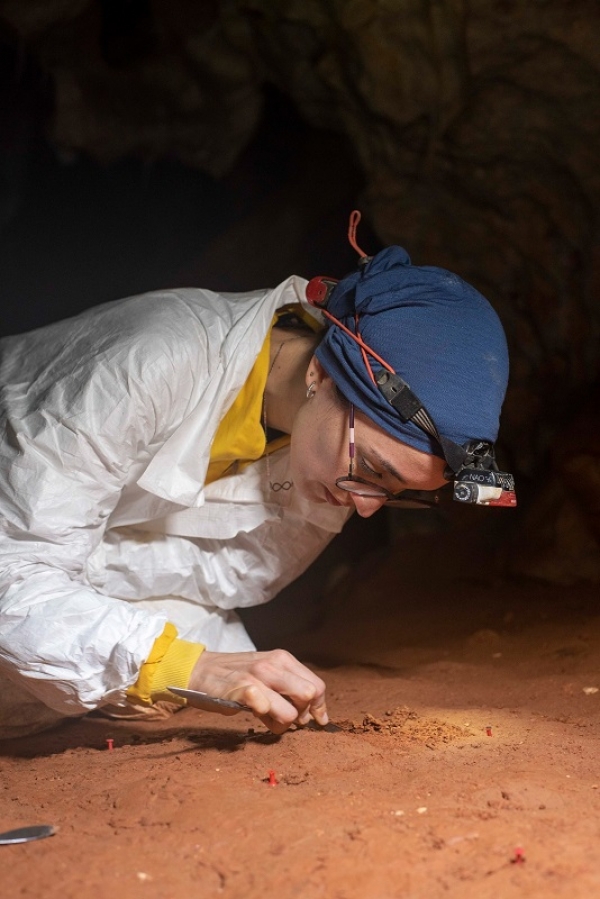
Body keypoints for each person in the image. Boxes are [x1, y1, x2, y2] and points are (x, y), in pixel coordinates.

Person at [0, 214, 513, 738]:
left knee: (189, 679)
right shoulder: (149, 364)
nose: (366, 506)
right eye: (375, 471)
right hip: (11, 555)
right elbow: (12, 572)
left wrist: (193, 661)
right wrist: (184, 666)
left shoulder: (335, 458)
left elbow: (225, 581)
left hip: (51, 568)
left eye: (397, 494)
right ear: (320, 374)